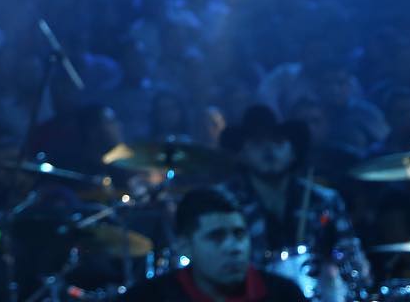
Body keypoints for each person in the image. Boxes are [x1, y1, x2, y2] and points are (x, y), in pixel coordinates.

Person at [220, 106, 369, 296]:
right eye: (257, 142)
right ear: (242, 153)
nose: (269, 148)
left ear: (293, 151)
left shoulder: (324, 200)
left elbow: (350, 255)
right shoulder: (224, 203)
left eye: (278, 141)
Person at [123, 186, 306, 302]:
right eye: (216, 237)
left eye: (240, 234)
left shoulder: (284, 295)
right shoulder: (146, 297)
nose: (234, 247)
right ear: (185, 246)